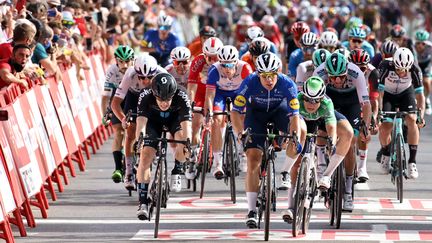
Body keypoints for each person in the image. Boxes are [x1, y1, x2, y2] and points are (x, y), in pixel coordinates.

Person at [231, 53, 305, 228]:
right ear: (258, 74)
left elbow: (294, 116)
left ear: (277, 72)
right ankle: (251, 210)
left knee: (298, 133)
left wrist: (293, 135)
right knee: (253, 159)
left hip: (280, 112)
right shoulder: (249, 82)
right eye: (264, 76)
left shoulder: (288, 84)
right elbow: (235, 111)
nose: (269, 80)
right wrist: (240, 132)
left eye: (272, 75)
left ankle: (285, 172)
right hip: (255, 116)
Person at [286, 76, 353, 220]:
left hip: (323, 120)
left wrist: (332, 142)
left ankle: (327, 175)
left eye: (316, 100)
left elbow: (331, 126)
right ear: (302, 96)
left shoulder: (326, 103)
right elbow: (292, 124)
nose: (311, 103)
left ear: (321, 99)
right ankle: (290, 206)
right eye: (308, 99)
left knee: (348, 132)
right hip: (304, 121)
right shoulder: (296, 100)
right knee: (296, 161)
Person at [313, 52, 372, 212]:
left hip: (351, 100)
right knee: (322, 130)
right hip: (328, 99)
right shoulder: (319, 72)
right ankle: (321, 166)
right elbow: (315, 101)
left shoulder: (356, 72)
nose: (337, 81)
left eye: (341, 76)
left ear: (347, 72)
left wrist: (365, 126)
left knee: (351, 139)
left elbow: (366, 104)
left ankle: (347, 189)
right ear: (327, 73)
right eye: (333, 78)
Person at [135, 73, 192, 220]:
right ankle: (143, 202)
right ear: (154, 94)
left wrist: (188, 143)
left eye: (168, 99)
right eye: (160, 99)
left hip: (175, 121)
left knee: (182, 139)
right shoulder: (145, 95)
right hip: (153, 123)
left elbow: (187, 126)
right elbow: (141, 123)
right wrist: (139, 140)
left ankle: (178, 168)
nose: (165, 103)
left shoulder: (181, 95)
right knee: (145, 155)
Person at [111, 54, 167, 190]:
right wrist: (123, 118)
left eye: (149, 77)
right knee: (130, 131)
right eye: (141, 77)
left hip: (154, 97)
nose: (145, 81)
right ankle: (129, 172)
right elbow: (115, 103)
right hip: (134, 97)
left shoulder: (162, 74)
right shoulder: (130, 73)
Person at [205, 45, 253, 177]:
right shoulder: (214, 70)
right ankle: (218, 163)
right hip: (220, 95)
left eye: (230, 65)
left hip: (239, 93)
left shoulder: (245, 68)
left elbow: (249, 93)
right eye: (224, 65)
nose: (227, 69)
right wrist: (209, 112)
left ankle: (242, 151)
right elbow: (209, 95)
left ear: (236, 62)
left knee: (242, 116)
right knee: (217, 120)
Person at [378, 47, 425, 179]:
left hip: (406, 93)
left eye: (405, 70)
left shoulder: (415, 69)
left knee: (411, 119)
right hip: (388, 94)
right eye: (398, 69)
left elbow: (420, 96)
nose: (401, 73)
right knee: (386, 125)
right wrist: (379, 112)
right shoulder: (385, 66)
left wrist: (420, 116)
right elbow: (379, 94)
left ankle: (412, 162)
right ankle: (386, 153)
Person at [101, 45, 134, 183]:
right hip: (118, 100)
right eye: (121, 61)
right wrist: (104, 115)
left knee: (134, 130)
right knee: (119, 133)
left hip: (133, 97)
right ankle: (118, 168)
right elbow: (105, 97)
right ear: (116, 61)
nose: (125, 65)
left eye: (128, 61)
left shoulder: (136, 69)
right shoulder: (112, 71)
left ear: (133, 60)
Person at [187, 37, 223, 161]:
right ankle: (193, 150)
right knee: (196, 121)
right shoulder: (198, 61)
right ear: (204, 54)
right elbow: (191, 86)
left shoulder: (225, 61)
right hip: (201, 92)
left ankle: (218, 151)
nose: (212, 61)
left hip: (217, 93)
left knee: (217, 121)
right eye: (209, 57)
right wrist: (190, 104)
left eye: (215, 58)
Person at [348, 48, 380, 182]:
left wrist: (374, 119)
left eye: (362, 68)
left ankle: (362, 167)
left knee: (364, 132)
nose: (358, 71)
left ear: (367, 66)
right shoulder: (344, 70)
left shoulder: (373, 73)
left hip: (364, 100)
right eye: (355, 67)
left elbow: (373, 100)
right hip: (348, 96)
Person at [413, 30, 432, 115]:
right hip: (416, 64)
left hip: (426, 65)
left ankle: (426, 99)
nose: (420, 46)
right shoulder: (412, 47)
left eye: (423, 43)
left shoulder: (430, 48)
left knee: (427, 82)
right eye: (418, 43)